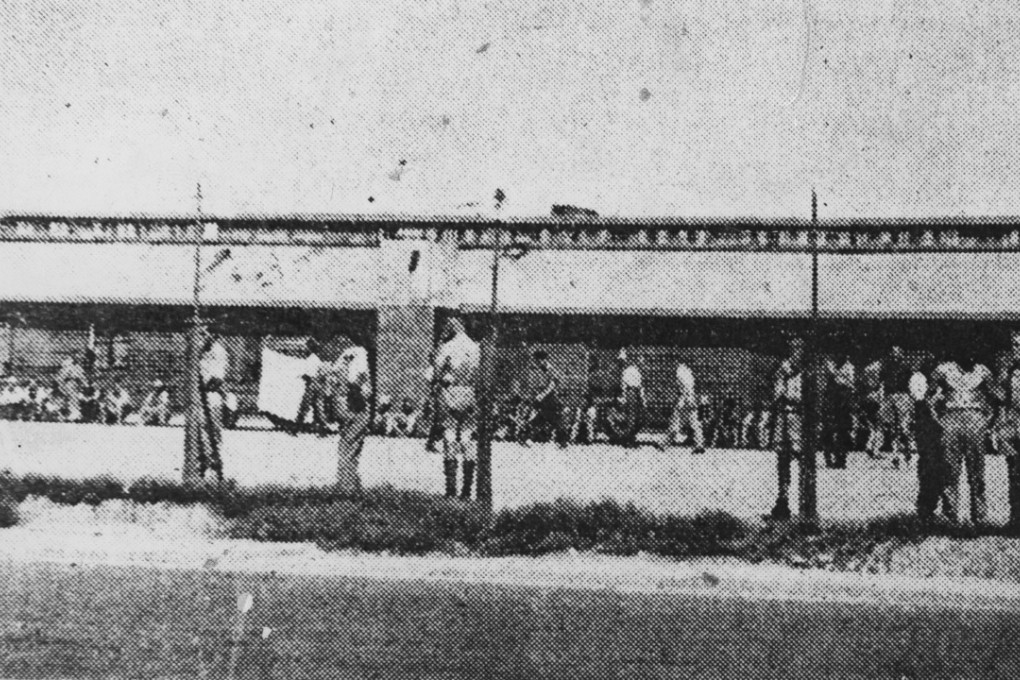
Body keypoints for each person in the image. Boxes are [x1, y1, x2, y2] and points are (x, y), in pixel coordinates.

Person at [930, 348, 995, 524]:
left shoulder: (983, 371)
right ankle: (950, 515)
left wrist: (985, 421)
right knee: (950, 469)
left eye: (973, 351)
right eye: (965, 349)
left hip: (975, 418)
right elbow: (930, 397)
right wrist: (939, 420)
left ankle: (979, 516)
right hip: (951, 418)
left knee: (977, 470)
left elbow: (994, 398)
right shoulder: (943, 370)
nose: (970, 355)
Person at [434, 317, 481, 499]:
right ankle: (467, 490)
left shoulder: (448, 347)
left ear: (452, 328)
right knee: (469, 438)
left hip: (451, 392)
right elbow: (478, 373)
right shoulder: (474, 347)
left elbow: (437, 371)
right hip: (469, 392)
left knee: (450, 436)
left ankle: (451, 489)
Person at [768, 335, 805, 520]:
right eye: (794, 350)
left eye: (800, 350)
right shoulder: (784, 369)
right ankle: (783, 499)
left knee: (803, 458)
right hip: (786, 415)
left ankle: (805, 503)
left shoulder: (808, 371)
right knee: (783, 458)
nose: (797, 353)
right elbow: (778, 394)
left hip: (801, 417)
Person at [330, 341, 372, 495]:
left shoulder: (342, 356)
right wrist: (359, 401)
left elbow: (333, 380)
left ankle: (346, 483)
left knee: (345, 446)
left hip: (341, 406)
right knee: (353, 448)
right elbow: (357, 379)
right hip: (355, 406)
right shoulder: (360, 352)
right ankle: (349, 488)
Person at [993, 329, 1020, 528]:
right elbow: (1003, 402)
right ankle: (1016, 519)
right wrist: (1000, 428)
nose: (1017, 350)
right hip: (1014, 427)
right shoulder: (1010, 372)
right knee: (1014, 474)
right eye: (1015, 346)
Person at [197, 328, 229, 484]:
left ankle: (217, 464)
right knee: (200, 431)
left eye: (205, 334)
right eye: (201, 334)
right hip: (198, 397)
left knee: (213, 431)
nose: (202, 337)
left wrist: (201, 386)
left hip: (211, 395)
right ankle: (204, 463)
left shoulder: (219, 351)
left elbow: (217, 379)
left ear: (214, 334)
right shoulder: (201, 350)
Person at [656, 362, 705, 453]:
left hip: (685, 399)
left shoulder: (681, 371)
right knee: (694, 422)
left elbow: (685, 387)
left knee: (676, 422)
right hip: (690, 398)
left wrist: (686, 400)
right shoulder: (688, 371)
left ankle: (664, 443)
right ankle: (699, 444)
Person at [524, 349, 568, 448]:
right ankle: (529, 438)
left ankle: (562, 441)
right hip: (545, 398)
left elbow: (552, 385)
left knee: (553, 419)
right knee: (543, 419)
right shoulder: (541, 369)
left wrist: (542, 395)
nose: (536, 362)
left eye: (537, 360)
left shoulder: (550, 369)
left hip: (551, 398)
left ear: (543, 359)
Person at [881, 346, 916, 467]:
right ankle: (895, 455)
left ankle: (906, 449)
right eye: (893, 352)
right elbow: (882, 383)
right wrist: (883, 398)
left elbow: (911, 384)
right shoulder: (887, 366)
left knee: (903, 427)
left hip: (903, 396)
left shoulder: (906, 367)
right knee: (891, 427)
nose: (895, 354)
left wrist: (911, 399)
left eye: (897, 352)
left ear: (901, 354)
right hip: (890, 397)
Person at [823, 352, 856, 469]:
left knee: (844, 430)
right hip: (831, 401)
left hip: (843, 402)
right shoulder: (828, 364)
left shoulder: (849, 367)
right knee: (829, 430)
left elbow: (850, 384)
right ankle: (828, 457)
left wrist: (836, 376)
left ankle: (841, 458)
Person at [293, 338, 324, 435]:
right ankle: (322, 430)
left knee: (304, 407)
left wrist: (302, 376)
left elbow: (310, 374)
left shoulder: (312, 359)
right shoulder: (316, 359)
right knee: (317, 408)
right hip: (317, 385)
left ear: (310, 348)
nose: (305, 348)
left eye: (307, 347)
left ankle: (295, 429)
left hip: (311, 385)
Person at [617, 350, 646, 447]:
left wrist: (642, 398)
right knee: (632, 417)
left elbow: (639, 386)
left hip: (634, 393)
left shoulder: (634, 371)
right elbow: (625, 386)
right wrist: (625, 396)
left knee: (635, 417)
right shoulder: (630, 371)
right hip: (632, 393)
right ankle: (628, 439)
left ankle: (630, 437)